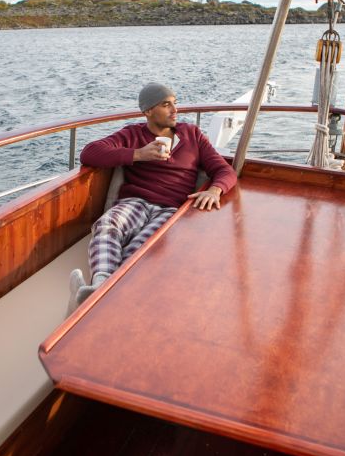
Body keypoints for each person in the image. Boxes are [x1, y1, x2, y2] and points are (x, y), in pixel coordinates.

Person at [69, 82, 237, 310]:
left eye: (175, 103)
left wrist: (214, 190)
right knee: (107, 224)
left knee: (142, 247)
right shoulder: (132, 134)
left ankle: (98, 294)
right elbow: (89, 153)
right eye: (166, 105)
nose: (175, 110)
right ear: (148, 111)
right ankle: (100, 285)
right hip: (135, 202)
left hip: (170, 209)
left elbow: (225, 170)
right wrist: (138, 154)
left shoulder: (192, 135)